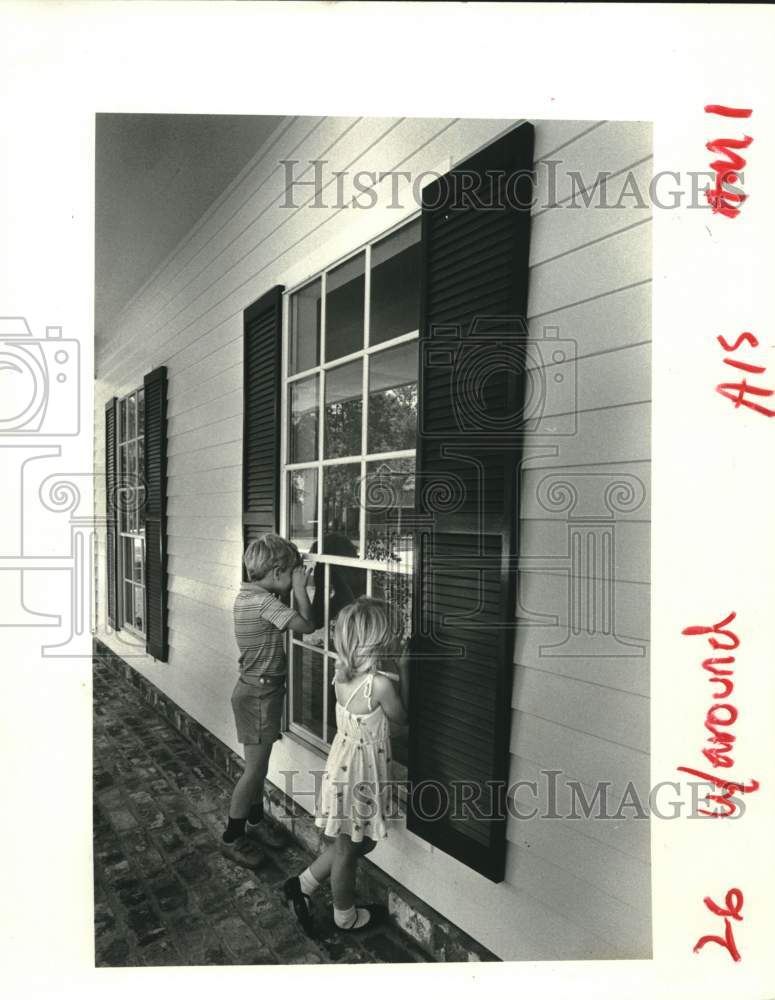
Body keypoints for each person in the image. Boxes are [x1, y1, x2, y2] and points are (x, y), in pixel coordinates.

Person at [283, 597, 409, 934]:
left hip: (344, 766)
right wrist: (405, 668)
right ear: (377, 641)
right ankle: (345, 916)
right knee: (349, 849)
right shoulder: (379, 685)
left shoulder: (342, 675)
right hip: (360, 775)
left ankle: (303, 884)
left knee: (355, 843)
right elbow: (402, 719)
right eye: (390, 634)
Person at [222, 533, 316, 868]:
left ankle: (255, 822)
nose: (295, 576)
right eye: (293, 571)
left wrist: (293, 584)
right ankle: (232, 836)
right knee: (255, 770)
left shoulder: (246, 596)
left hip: (256, 690)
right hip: (260, 694)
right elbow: (307, 625)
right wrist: (302, 590)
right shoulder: (265, 604)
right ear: (277, 573)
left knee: (257, 766)